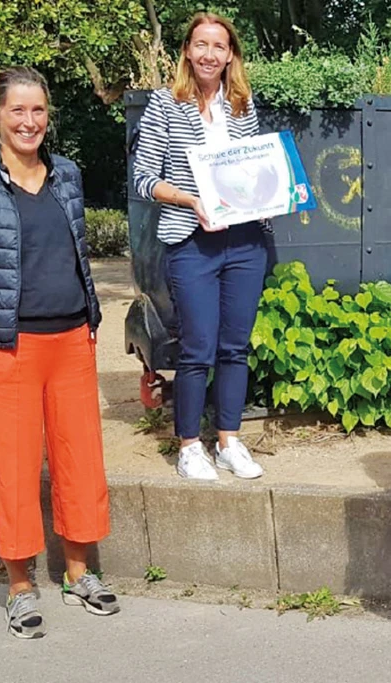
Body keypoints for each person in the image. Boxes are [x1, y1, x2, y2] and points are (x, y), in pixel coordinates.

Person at [0, 66, 119, 639]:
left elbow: (77, 253)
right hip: (7, 346)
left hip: (71, 340)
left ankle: (79, 572)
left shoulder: (66, 174)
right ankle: (19, 584)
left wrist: (88, 319)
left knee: (78, 458)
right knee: (11, 465)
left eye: (38, 111)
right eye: (17, 110)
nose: (29, 122)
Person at [133, 12, 267, 481]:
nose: (210, 54)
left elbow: (254, 171)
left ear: (231, 54)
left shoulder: (243, 105)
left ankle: (229, 439)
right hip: (191, 239)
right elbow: (144, 178)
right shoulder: (164, 104)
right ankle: (190, 445)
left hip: (245, 241)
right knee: (197, 347)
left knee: (235, 346)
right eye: (201, 44)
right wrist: (191, 199)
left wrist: (271, 194)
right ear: (187, 51)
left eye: (219, 46)